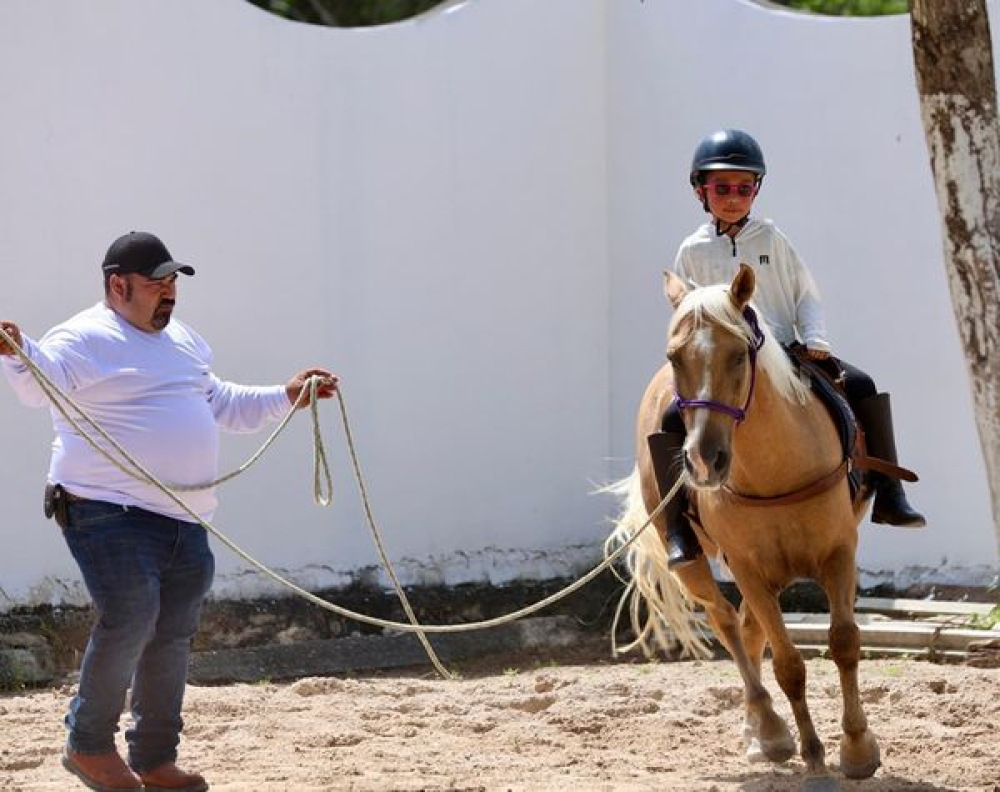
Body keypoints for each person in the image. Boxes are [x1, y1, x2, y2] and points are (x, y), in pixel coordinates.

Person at [0, 231, 339, 792]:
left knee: (171, 633)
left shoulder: (184, 341)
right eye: (157, 283)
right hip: (106, 508)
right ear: (118, 285)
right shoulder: (85, 336)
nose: (169, 293)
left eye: (172, 282)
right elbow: (43, 379)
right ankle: (88, 745)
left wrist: (287, 395)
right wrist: (18, 353)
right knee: (132, 616)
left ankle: (154, 761)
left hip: (183, 515)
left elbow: (222, 402)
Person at [650, 129, 925, 568]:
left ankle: (890, 494)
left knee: (861, 383)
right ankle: (680, 530)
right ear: (702, 190)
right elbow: (689, 311)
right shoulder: (692, 250)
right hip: (730, 359)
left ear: (756, 190)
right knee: (669, 420)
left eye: (744, 188)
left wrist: (815, 339)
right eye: (722, 188)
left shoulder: (772, 240)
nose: (734, 197)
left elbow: (805, 293)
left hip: (785, 348)